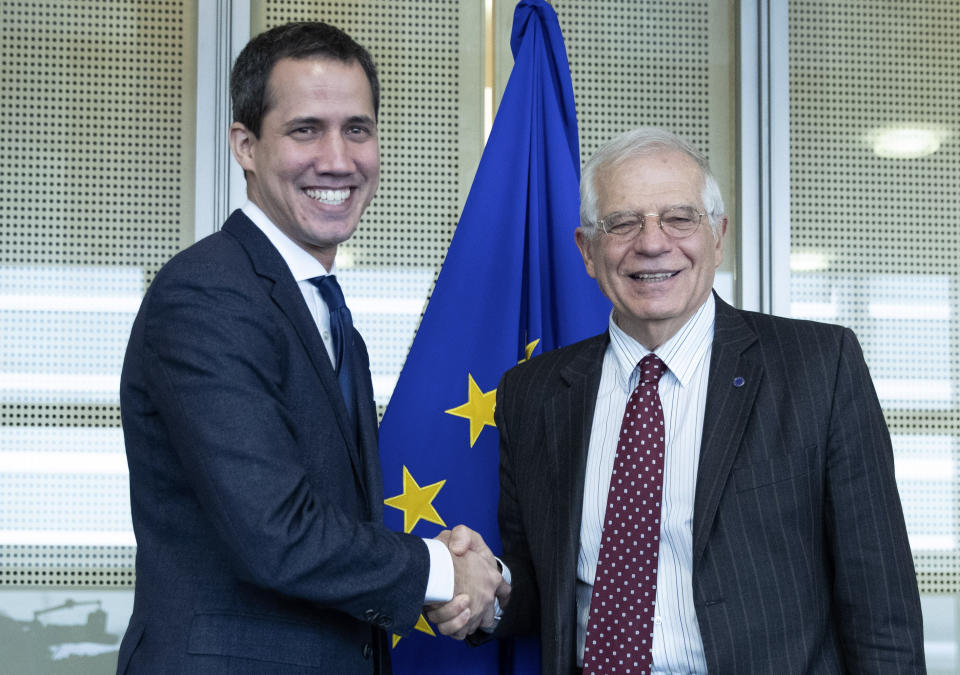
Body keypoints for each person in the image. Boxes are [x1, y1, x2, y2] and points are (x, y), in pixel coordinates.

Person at [444, 127, 925, 672]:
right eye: (623, 222)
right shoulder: (532, 393)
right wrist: (495, 591)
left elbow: (880, 603)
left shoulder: (819, 366)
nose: (652, 242)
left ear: (717, 236)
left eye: (679, 218)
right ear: (587, 250)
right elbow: (546, 586)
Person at [116, 21, 499, 674]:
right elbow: (276, 531)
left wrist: (467, 579)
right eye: (305, 129)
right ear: (245, 144)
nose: (338, 159)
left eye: (357, 128)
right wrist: (441, 568)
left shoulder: (324, 306)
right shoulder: (208, 294)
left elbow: (333, 517)